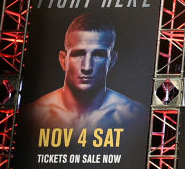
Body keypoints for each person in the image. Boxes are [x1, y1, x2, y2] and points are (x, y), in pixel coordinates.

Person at [19, 13, 147, 130]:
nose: (87, 67)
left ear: (112, 60)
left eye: (98, 55)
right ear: (63, 60)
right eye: (78, 54)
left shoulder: (135, 116)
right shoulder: (33, 115)